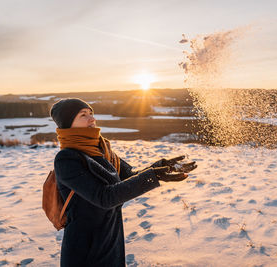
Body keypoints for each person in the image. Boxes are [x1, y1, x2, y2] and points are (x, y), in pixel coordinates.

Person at [50, 98, 197, 267]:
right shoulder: (67, 158)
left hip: (111, 242)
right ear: (68, 124)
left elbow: (130, 176)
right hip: (85, 249)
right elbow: (104, 197)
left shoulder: (102, 150)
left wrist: (160, 167)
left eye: (91, 113)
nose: (92, 119)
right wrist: (153, 177)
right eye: (83, 115)